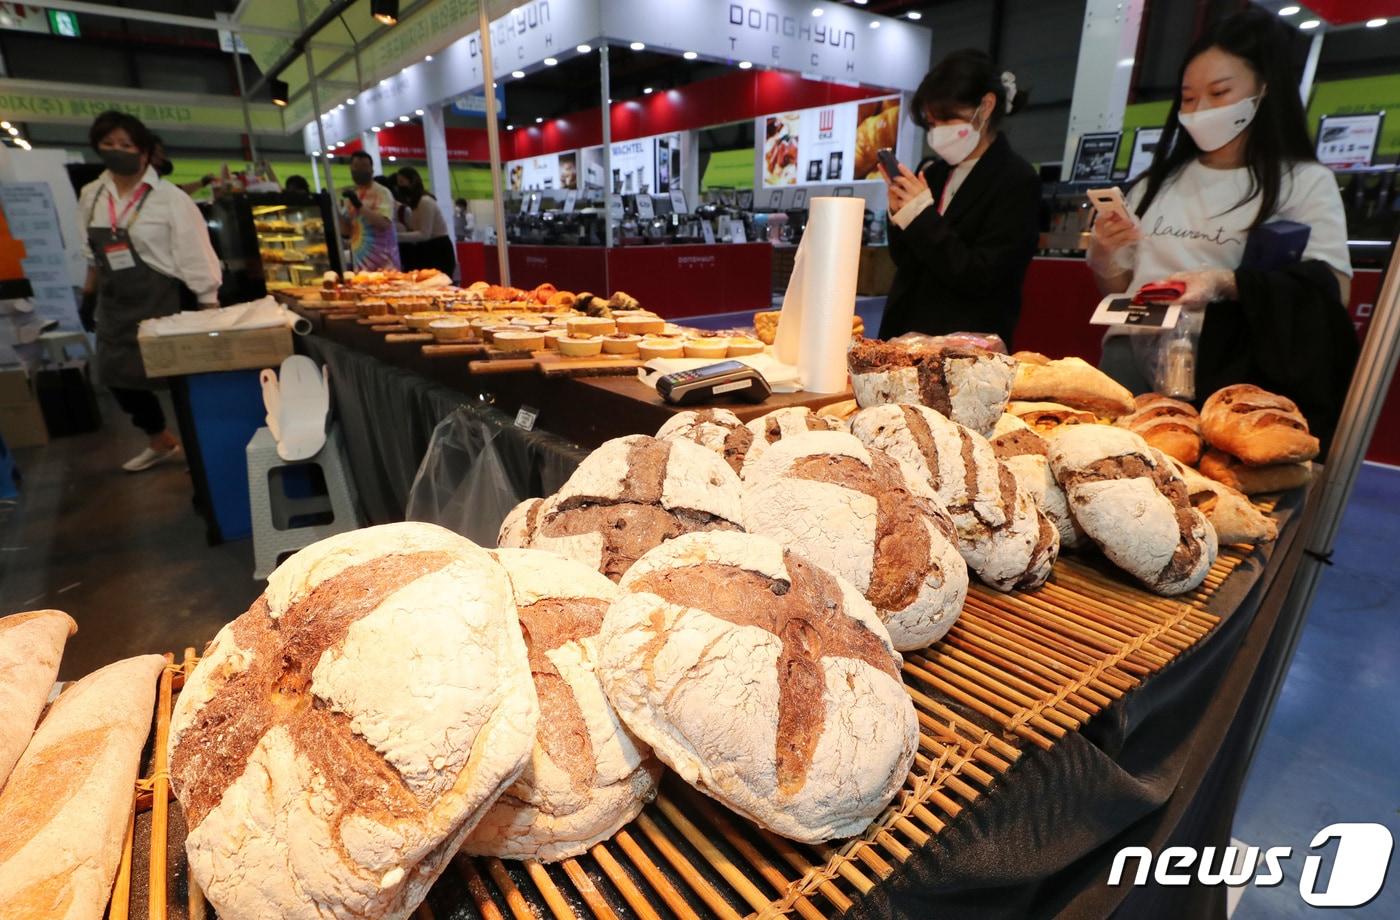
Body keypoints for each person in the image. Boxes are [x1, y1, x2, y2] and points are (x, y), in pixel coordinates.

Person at [1088, 7, 1355, 447]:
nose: (1199, 110)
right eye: (1189, 98)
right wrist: (1104, 256)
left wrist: (1224, 282)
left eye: (1219, 92)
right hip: (1129, 358)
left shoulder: (1303, 182)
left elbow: (1332, 293)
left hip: (1225, 373)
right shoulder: (1155, 184)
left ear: (1264, 89)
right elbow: (1119, 288)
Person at [77, 111, 222, 472]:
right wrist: (87, 294)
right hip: (114, 300)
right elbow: (91, 250)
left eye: (125, 144)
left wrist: (210, 307)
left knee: (179, 382)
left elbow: (196, 254)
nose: (116, 151)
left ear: (144, 151)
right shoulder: (92, 195)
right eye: (108, 144)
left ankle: (203, 456)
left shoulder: (170, 198)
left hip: (163, 298)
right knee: (115, 376)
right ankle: (158, 439)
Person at [878, 50, 1038, 347]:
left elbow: (980, 274)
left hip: (965, 347)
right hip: (904, 334)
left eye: (948, 119)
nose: (938, 133)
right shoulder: (934, 171)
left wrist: (920, 217)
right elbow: (905, 259)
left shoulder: (1016, 180)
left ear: (986, 106)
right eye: (932, 123)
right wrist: (899, 213)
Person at [339, 151, 399, 271]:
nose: (360, 171)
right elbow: (346, 232)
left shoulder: (382, 192)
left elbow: (384, 223)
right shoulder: (352, 195)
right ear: (350, 169)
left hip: (384, 262)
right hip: (360, 262)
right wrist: (335, 211)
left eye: (364, 167)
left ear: (372, 169)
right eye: (356, 167)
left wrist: (358, 205)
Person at [393, 166, 456, 276]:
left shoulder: (425, 202)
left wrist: (396, 236)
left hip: (438, 250)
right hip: (426, 249)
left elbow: (424, 233)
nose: (399, 186)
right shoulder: (414, 204)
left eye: (402, 182)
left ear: (412, 181)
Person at [149, 135, 215, 197]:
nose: (162, 158)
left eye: (161, 152)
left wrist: (202, 182)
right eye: (155, 155)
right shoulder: (148, 188)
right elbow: (177, 192)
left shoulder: (157, 186)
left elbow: (179, 191)